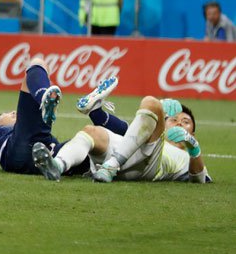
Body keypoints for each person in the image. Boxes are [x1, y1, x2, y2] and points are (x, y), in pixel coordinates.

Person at [34, 78, 210, 183]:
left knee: (150, 102)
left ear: (193, 132)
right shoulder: (145, 133)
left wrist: (193, 146)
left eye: (185, 122)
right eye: (174, 119)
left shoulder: (186, 156)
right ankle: (57, 165)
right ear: (162, 123)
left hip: (150, 164)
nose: (179, 123)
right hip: (127, 153)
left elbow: (199, 180)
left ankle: (110, 161)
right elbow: (132, 128)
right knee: (91, 132)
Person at [0, 62, 86, 176]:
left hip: (48, 158)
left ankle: (103, 167)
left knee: (91, 136)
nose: (14, 112)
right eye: (8, 114)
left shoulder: (35, 130)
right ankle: (43, 99)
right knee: (37, 64)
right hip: (20, 150)